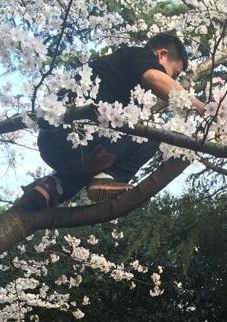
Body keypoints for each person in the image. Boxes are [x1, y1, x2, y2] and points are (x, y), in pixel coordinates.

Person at [24, 34, 204, 209]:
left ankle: (52, 186)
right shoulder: (137, 55)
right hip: (84, 134)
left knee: (93, 163)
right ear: (161, 54)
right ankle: (111, 177)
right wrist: (198, 105)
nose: (172, 80)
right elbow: (154, 77)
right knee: (150, 136)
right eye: (174, 73)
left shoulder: (117, 72)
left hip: (50, 144)